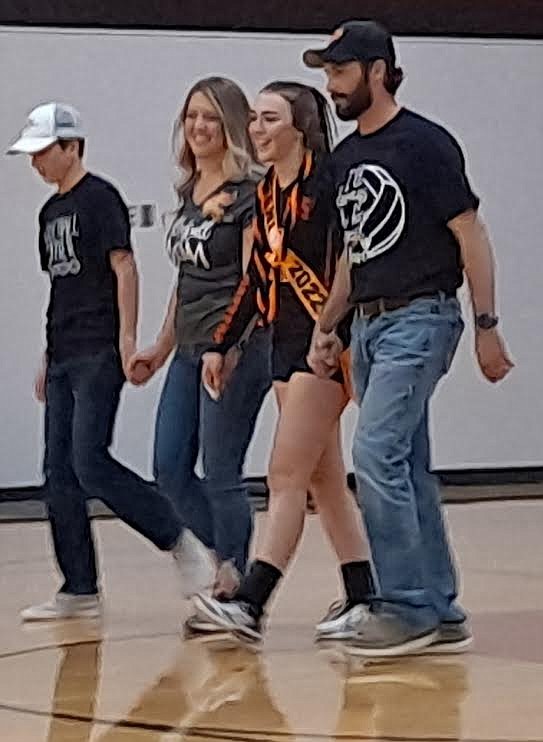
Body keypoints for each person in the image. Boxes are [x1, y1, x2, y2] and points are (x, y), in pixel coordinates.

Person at [303, 21, 513, 656]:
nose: (331, 86)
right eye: (326, 73)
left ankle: (405, 606)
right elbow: (352, 254)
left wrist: (486, 326)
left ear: (377, 70)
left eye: (340, 72)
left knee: (373, 455)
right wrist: (327, 324)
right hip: (365, 326)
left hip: (421, 318)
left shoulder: (425, 144)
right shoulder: (344, 160)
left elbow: (470, 233)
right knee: (407, 465)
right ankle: (442, 608)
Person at [7, 102, 215, 621]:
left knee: (90, 461)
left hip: (98, 351)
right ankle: (79, 587)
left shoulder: (100, 199)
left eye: (42, 152)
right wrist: (46, 353)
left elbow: (124, 268)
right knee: (57, 474)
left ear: (71, 147)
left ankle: (179, 540)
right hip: (63, 352)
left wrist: (127, 340)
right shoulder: (49, 212)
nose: (35, 164)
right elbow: (61, 288)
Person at [191, 82, 374, 644]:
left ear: (300, 125)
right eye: (253, 119)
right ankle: (366, 594)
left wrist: (331, 333)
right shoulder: (268, 191)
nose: (257, 129)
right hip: (284, 344)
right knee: (323, 482)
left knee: (285, 473)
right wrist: (222, 342)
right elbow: (256, 280)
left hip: (328, 345)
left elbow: (353, 263)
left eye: (269, 119)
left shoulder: (330, 182)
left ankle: (252, 601)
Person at [127, 78, 272, 601]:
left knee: (221, 468)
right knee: (168, 466)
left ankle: (234, 587)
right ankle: (232, 561)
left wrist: (230, 346)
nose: (198, 127)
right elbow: (186, 281)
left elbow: (258, 280)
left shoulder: (251, 194)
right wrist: (160, 347)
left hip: (237, 347)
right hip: (189, 348)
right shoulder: (189, 192)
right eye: (191, 116)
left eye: (210, 117)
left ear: (231, 124)